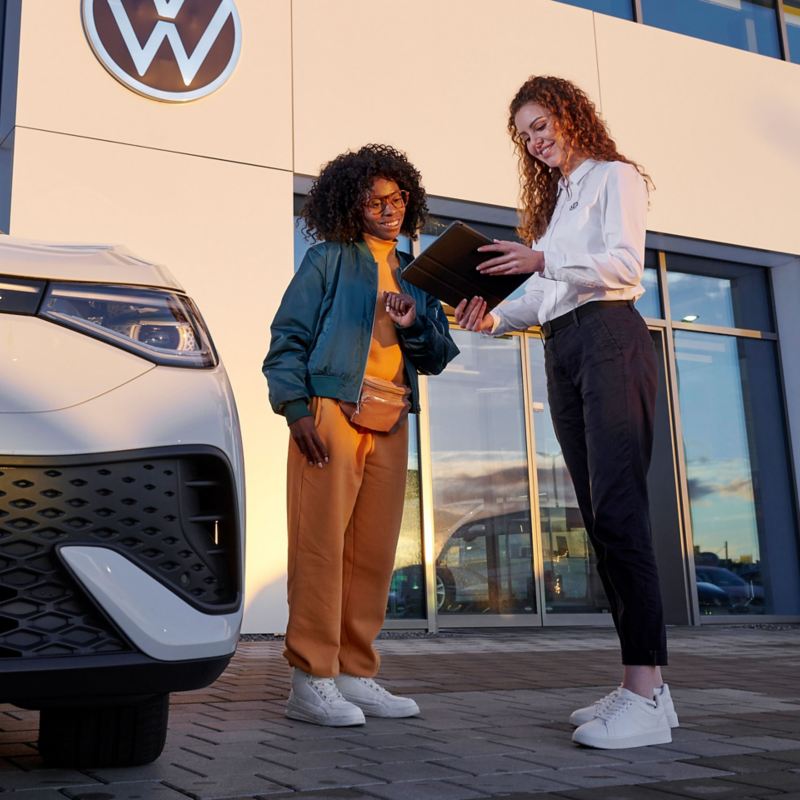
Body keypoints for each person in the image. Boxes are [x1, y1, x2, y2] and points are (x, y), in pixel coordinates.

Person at [454, 75, 679, 750]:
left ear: (572, 115)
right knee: (599, 518)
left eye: (542, 123)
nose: (536, 140)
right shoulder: (558, 204)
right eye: (525, 134)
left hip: (611, 336)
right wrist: (491, 315)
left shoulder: (615, 178)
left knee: (620, 512)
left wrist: (543, 255)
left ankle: (646, 691)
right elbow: (546, 298)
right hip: (566, 346)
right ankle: (648, 689)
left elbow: (622, 265)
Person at [263, 144, 459, 727]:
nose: (388, 208)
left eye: (397, 197)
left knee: (372, 554)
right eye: (374, 199)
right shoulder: (327, 259)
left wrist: (413, 321)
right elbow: (287, 338)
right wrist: (296, 410)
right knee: (320, 547)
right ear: (352, 204)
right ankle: (310, 680)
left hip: (391, 417)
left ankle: (354, 674)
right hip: (329, 411)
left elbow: (440, 353)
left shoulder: (419, 275)